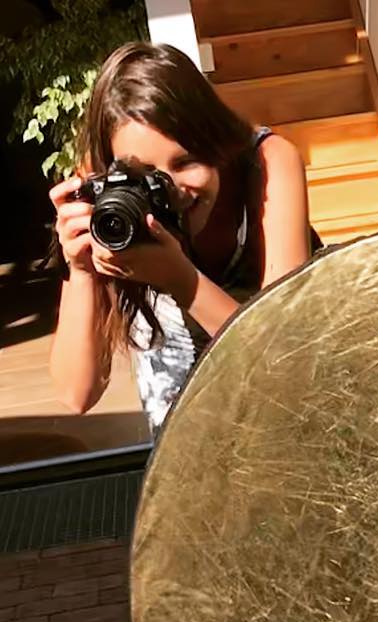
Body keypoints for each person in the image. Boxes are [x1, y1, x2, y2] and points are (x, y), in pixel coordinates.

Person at [48, 42, 313, 435]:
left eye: (186, 161)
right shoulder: (108, 199)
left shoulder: (266, 163)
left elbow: (284, 359)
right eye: (145, 175)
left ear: (217, 142)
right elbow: (77, 394)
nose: (171, 190)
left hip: (281, 425)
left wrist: (180, 279)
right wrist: (82, 270)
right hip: (183, 444)